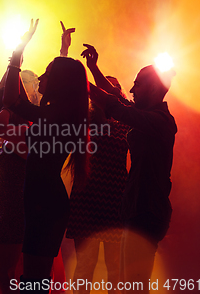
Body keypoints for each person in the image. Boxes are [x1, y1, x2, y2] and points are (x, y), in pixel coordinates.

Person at [3, 19, 90, 293]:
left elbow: (12, 102)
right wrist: (62, 53)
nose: (40, 77)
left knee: (34, 280)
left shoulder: (55, 118)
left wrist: (18, 53)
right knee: (36, 278)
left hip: (44, 202)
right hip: (45, 199)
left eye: (47, 74)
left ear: (60, 83)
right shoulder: (62, 113)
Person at [85, 44, 177, 294]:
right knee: (129, 285)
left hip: (146, 211)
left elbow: (115, 107)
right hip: (138, 208)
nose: (133, 89)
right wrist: (93, 69)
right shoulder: (150, 114)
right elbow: (119, 100)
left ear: (155, 88)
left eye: (138, 84)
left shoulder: (161, 121)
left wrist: (79, 81)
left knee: (134, 287)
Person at [66, 76, 130, 294]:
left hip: (115, 203)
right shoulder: (83, 124)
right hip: (86, 202)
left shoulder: (125, 124)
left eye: (112, 89)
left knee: (115, 268)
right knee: (85, 267)